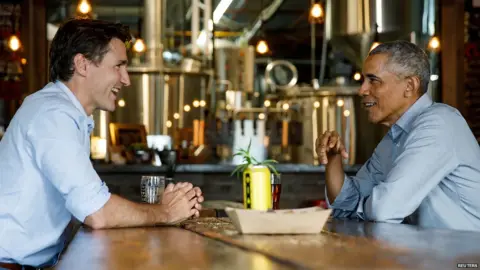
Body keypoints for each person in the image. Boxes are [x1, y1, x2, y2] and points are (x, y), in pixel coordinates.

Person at [0, 19, 204, 269]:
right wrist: (166, 212)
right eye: (118, 66)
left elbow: (87, 206)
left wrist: (164, 208)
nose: (126, 79)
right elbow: (98, 212)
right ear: (82, 64)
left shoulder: (67, 115)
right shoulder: (53, 114)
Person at [316, 40, 480, 231]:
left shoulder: (439, 123)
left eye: (373, 80)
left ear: (409, 86)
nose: (362, 90)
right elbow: (344, 207)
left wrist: (361, 207)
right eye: (363, 81)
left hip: (468, 257)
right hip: (430, 256)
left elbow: (384, 210)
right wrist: (334, 160)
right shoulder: (394, 138)